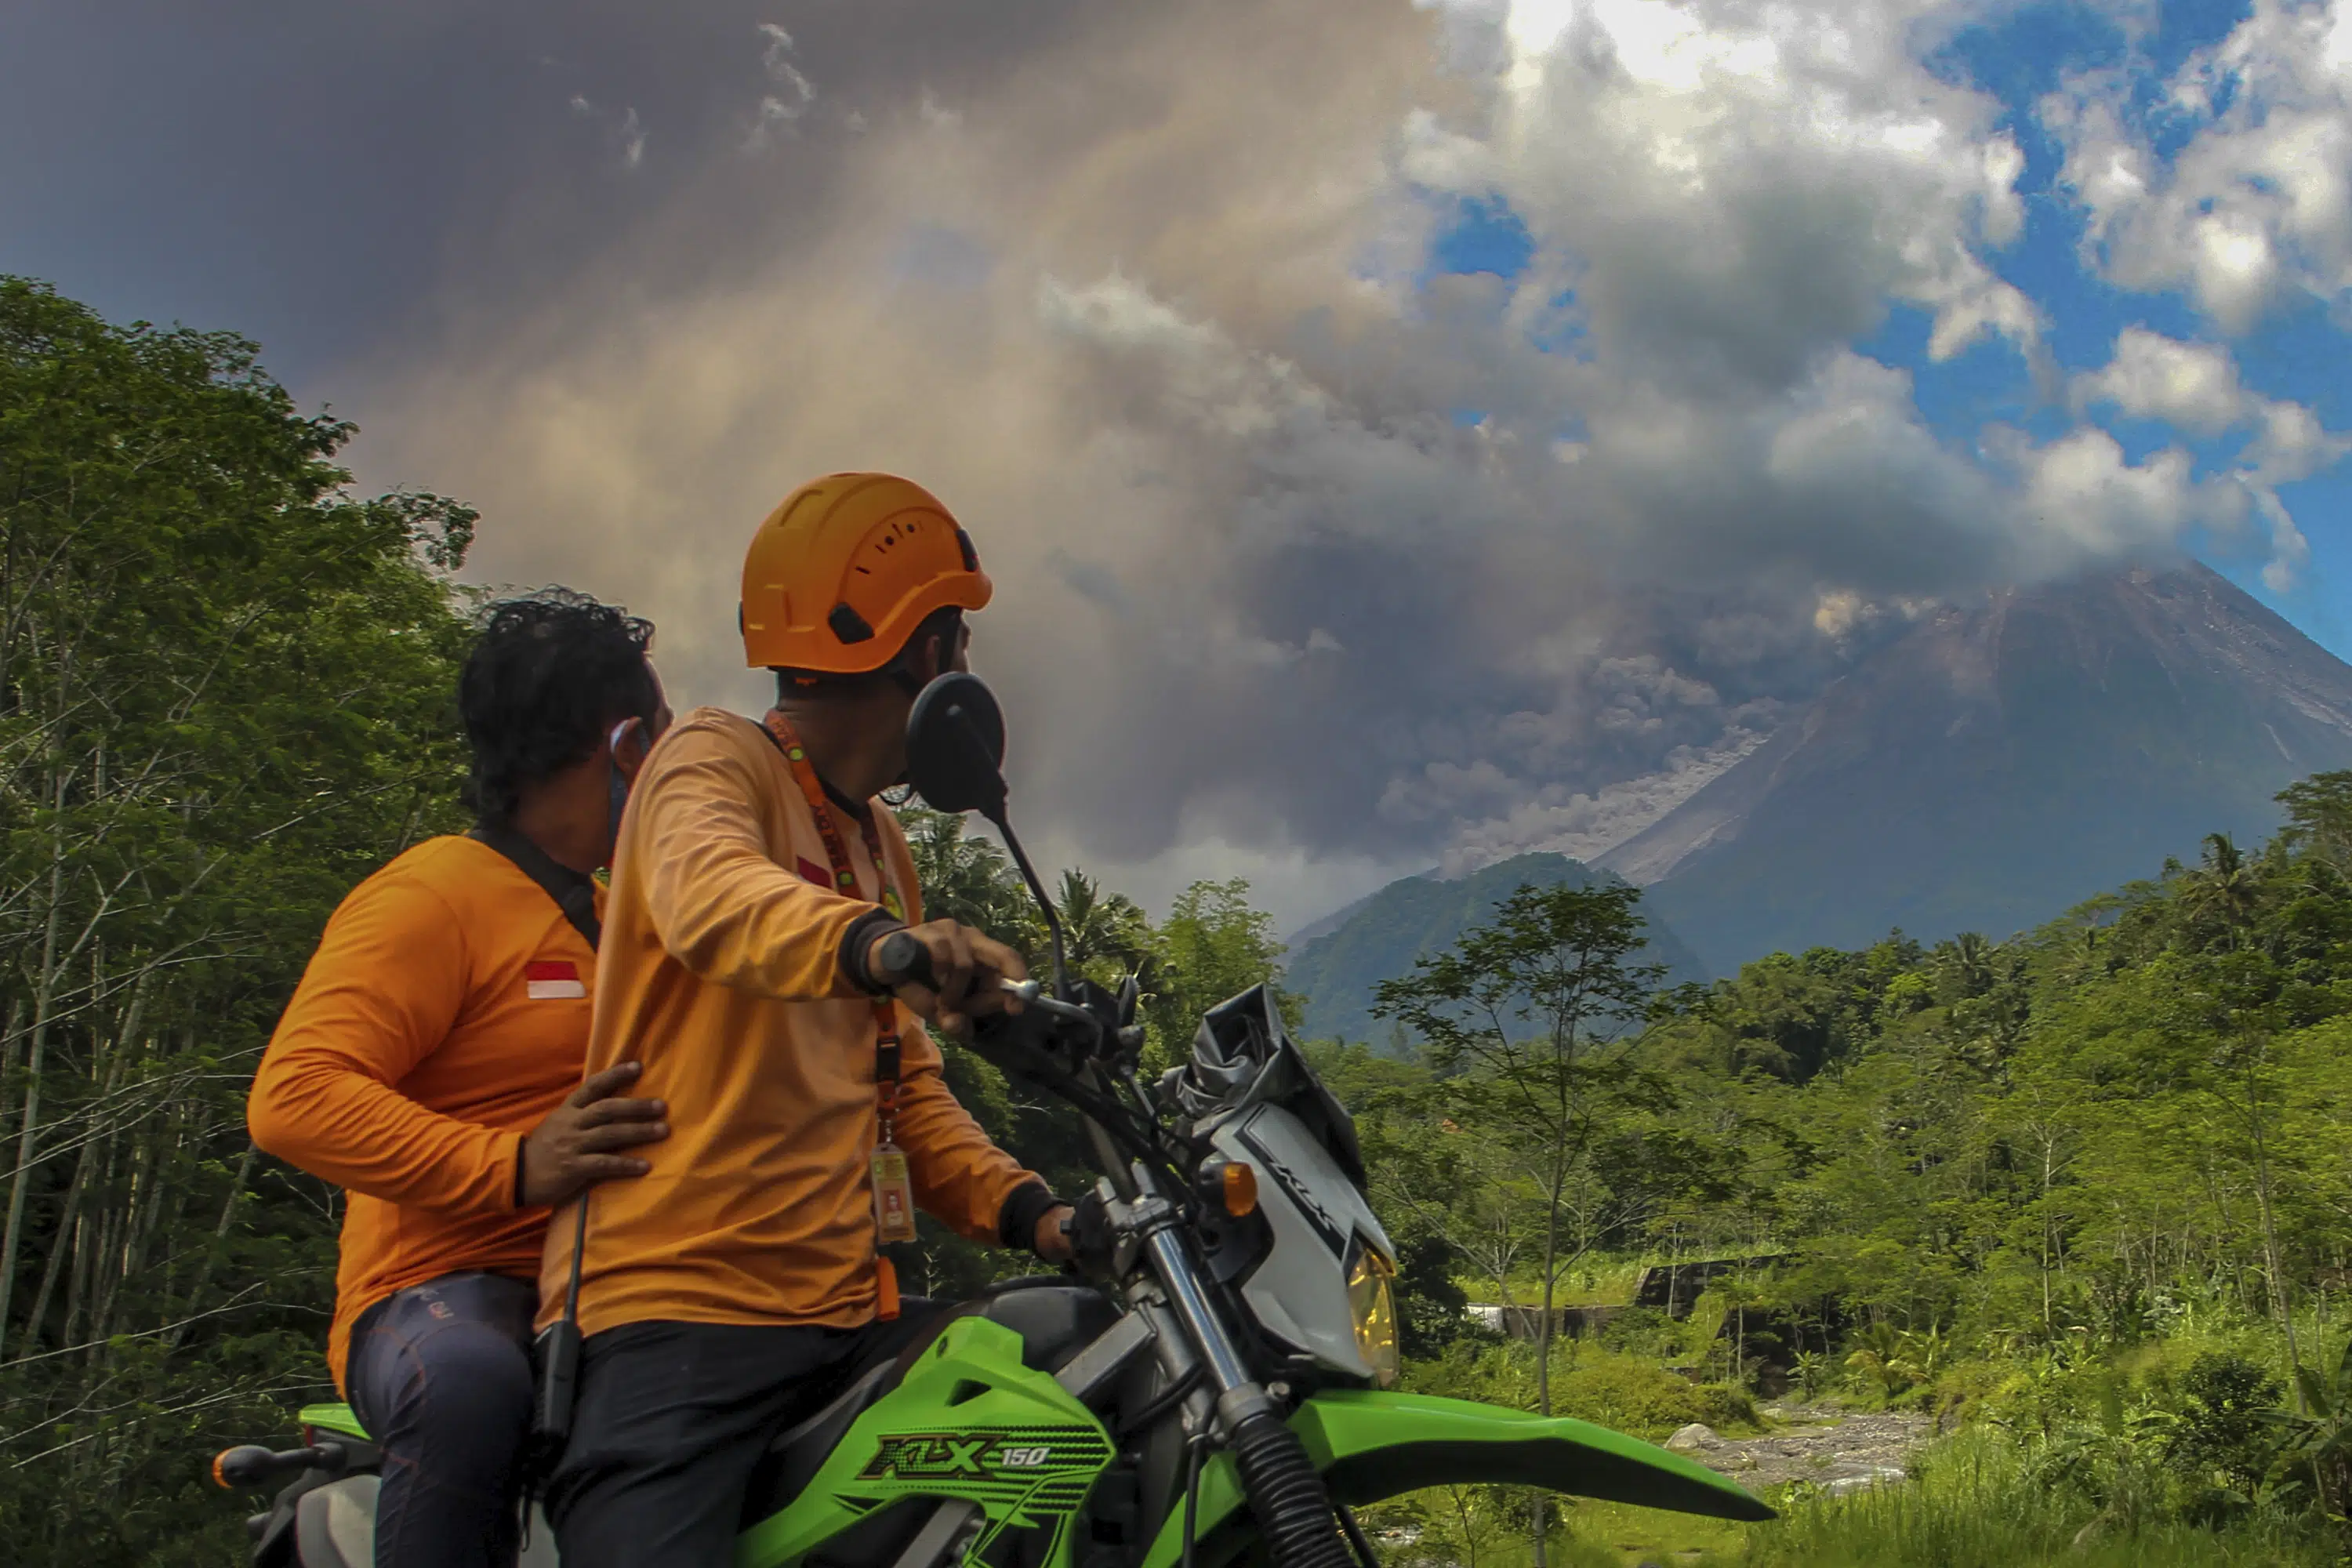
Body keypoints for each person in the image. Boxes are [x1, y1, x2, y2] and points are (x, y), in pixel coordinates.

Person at [539, 473, 1073, 1566]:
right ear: (925, 654)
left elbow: (903, 1090)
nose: (966, 673)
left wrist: (1037, 1215)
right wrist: (877, 945)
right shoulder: (713, 761)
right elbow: (708, 895)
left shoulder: (879, 842)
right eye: (959, 641)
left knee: (1076, 1429)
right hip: (678, 1316)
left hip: (846, 1313)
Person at [248, 592, 674, 1568]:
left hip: (614, 1279)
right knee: (470, 1384)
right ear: (622, 743)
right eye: (661, 736)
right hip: (436, 1292)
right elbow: (294, 1095)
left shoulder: (624, 918)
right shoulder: (433, 892)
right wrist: (516, 1162)